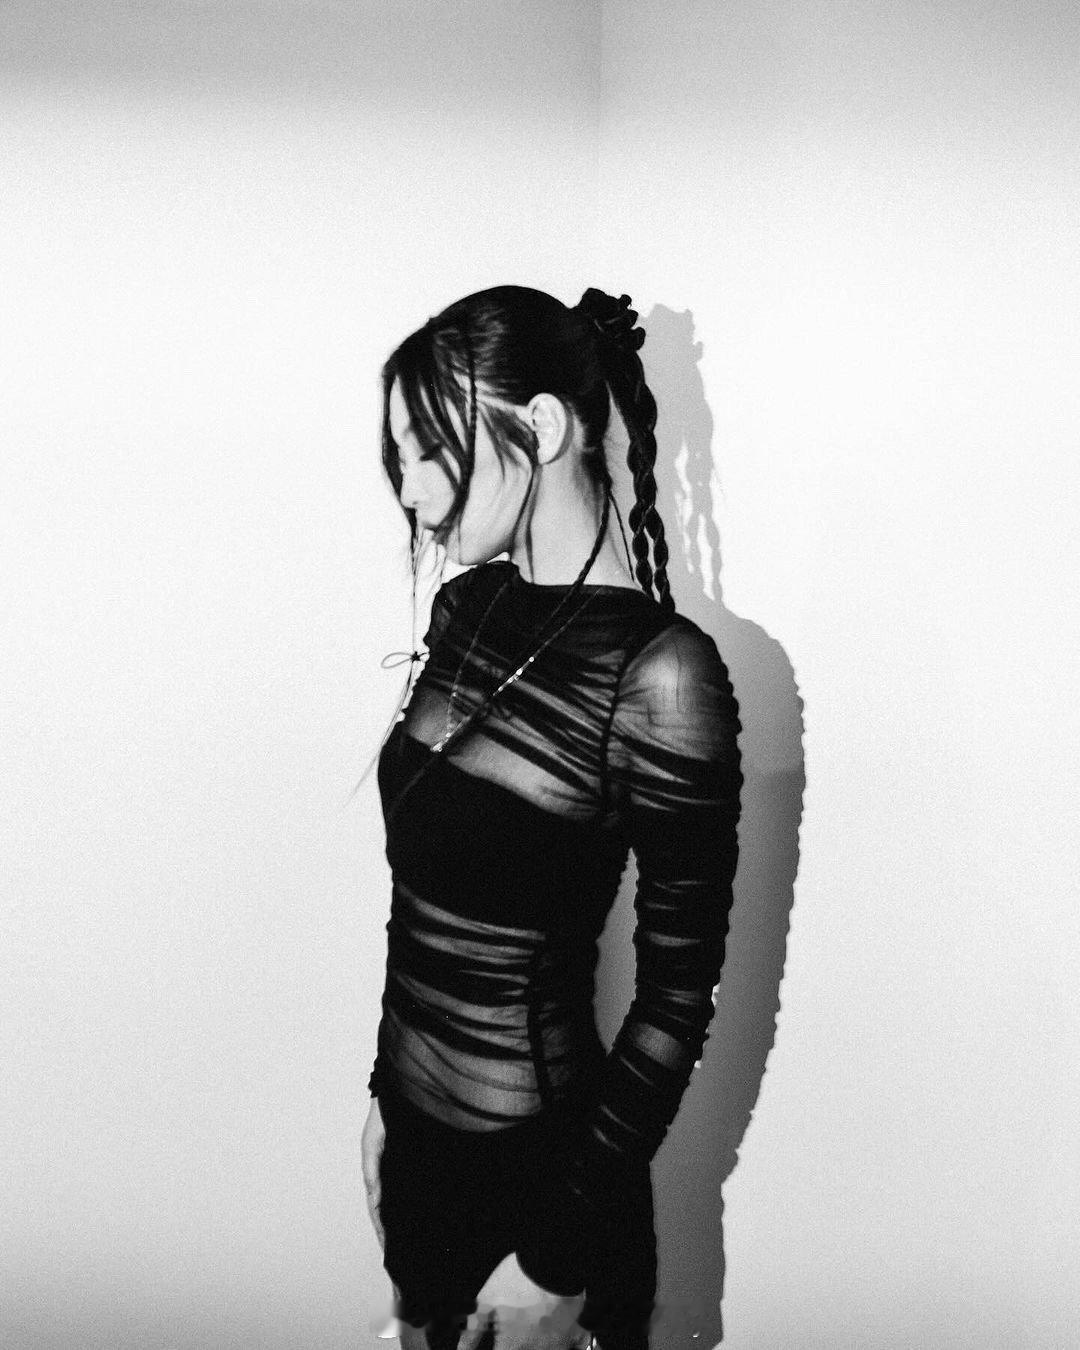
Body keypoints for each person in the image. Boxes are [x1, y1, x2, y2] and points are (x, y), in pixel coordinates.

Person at [361, 286, 742, 1350]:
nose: (411, 490)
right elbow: (422, 900)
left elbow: (676, 1002)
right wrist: (386, 1103)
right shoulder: (465, 610)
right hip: (416, 1163)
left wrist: (556, 1258)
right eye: (400, 457)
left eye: (431, 450)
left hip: (548, 1202)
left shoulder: (661, 675)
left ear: (540, 427)